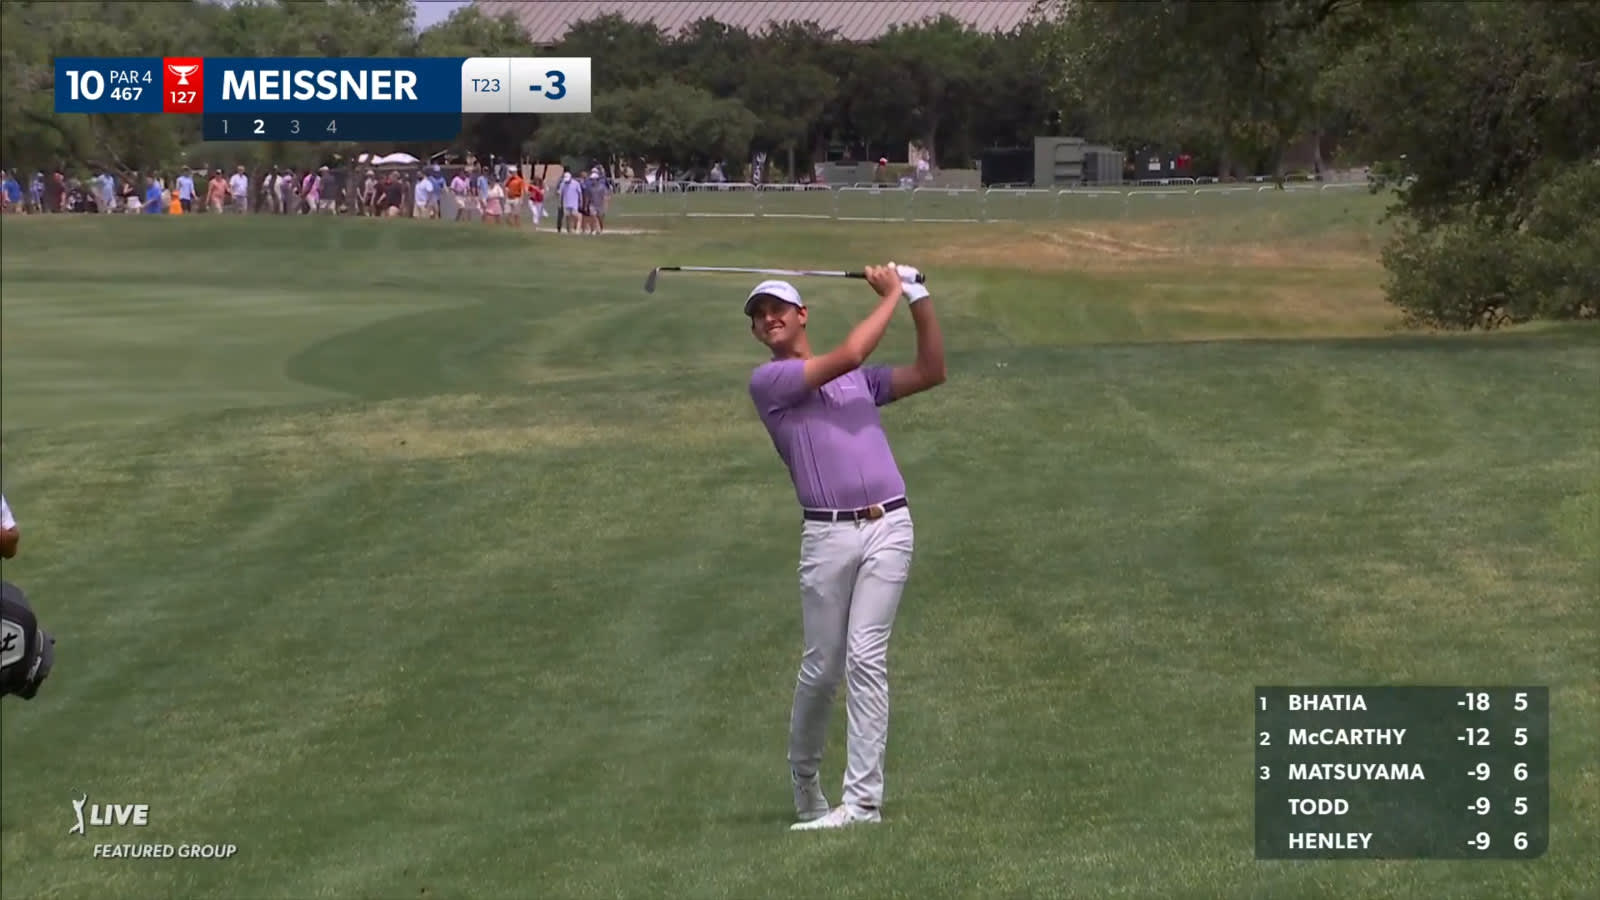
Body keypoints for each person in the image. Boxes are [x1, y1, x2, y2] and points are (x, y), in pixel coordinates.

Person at [744, 263, 946, 831]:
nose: (768, 319)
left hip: (890, 525)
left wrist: (918, 296)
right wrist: (890, 293)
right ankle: (805, 781)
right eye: (759, 316)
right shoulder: (771, 383)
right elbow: (851, 354)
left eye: (777, 308)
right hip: (826, 533)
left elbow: (932, 371)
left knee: (865, 658)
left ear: (802, 314)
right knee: (821, 668)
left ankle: (861, 803)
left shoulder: (858, 383)